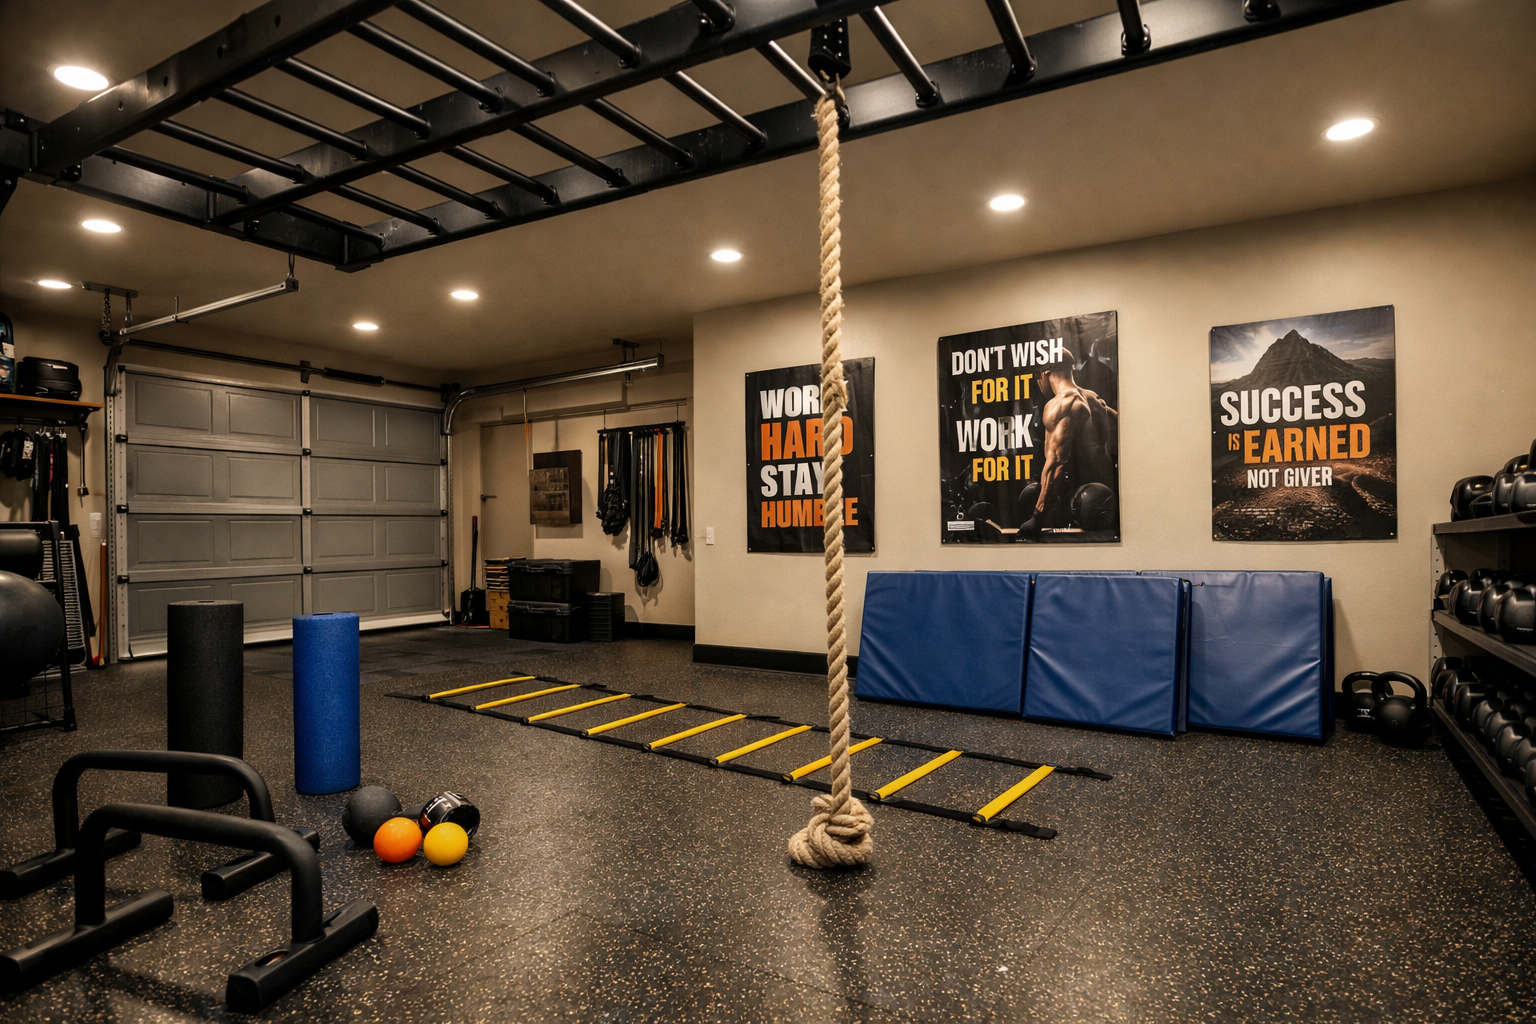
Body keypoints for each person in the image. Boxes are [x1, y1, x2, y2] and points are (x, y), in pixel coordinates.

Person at [1019, 348, 1118, 534]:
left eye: (1037, 377)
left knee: (1033, 494)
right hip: (1105, 502)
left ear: (1044, 373)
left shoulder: (1061, 405)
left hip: (1085, 506)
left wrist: (1036, 518)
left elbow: (1056, 464)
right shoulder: (1096, 401)